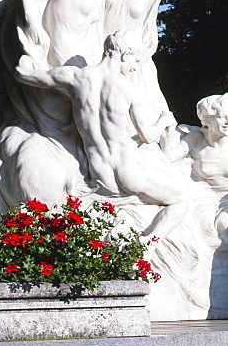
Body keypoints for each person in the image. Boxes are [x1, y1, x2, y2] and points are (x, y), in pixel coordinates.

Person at [14, 31, 187, 238]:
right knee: (180, 201)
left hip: (98, 172)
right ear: (124, 54)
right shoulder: (129, 88)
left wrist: (24, 59)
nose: (134, 67)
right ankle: (149, 242)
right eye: (135, 60)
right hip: (129, 170)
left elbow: (24, 74)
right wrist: (164, 121)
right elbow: (149, 137)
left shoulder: (75, 77)